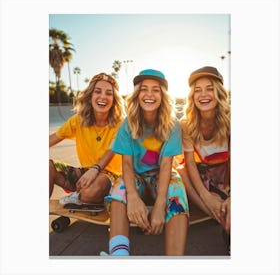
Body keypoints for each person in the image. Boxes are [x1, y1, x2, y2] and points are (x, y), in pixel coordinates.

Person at [104, 69, 189, 256]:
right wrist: (133, 197)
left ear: (163, 96)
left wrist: (160, 206)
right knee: (119, 187)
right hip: (136, 175)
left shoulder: (172, 125)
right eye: (144, 89)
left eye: (156, 90)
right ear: (137, 94)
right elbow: (126, 164)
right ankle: (118, 255)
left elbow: (167, 164)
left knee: (177, 188)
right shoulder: (127, 124)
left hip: (161, 175)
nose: (149, 94)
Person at [49, 72, 125, 205]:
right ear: (90, 96)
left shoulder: (121, 124)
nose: (103, 97)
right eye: (98, 91)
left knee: (93, 190)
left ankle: (81, 196)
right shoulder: (78, 121)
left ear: (114, 100)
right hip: (84, 174)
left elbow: (111, 151)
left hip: (109, 177)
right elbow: (52, 138)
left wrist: (95, 169)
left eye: (109, 93)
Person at [180, 66, 230, 236]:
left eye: (209, 89)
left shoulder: (231, 120)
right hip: (197, 182)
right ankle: (213, 212)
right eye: (198, 90)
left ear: (218, 93)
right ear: (192, 96)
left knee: (225, 203)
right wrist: (205, 196)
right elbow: (190, 165)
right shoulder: (186, 124)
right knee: (180, 170)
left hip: (223, 178)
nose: (203, 95)